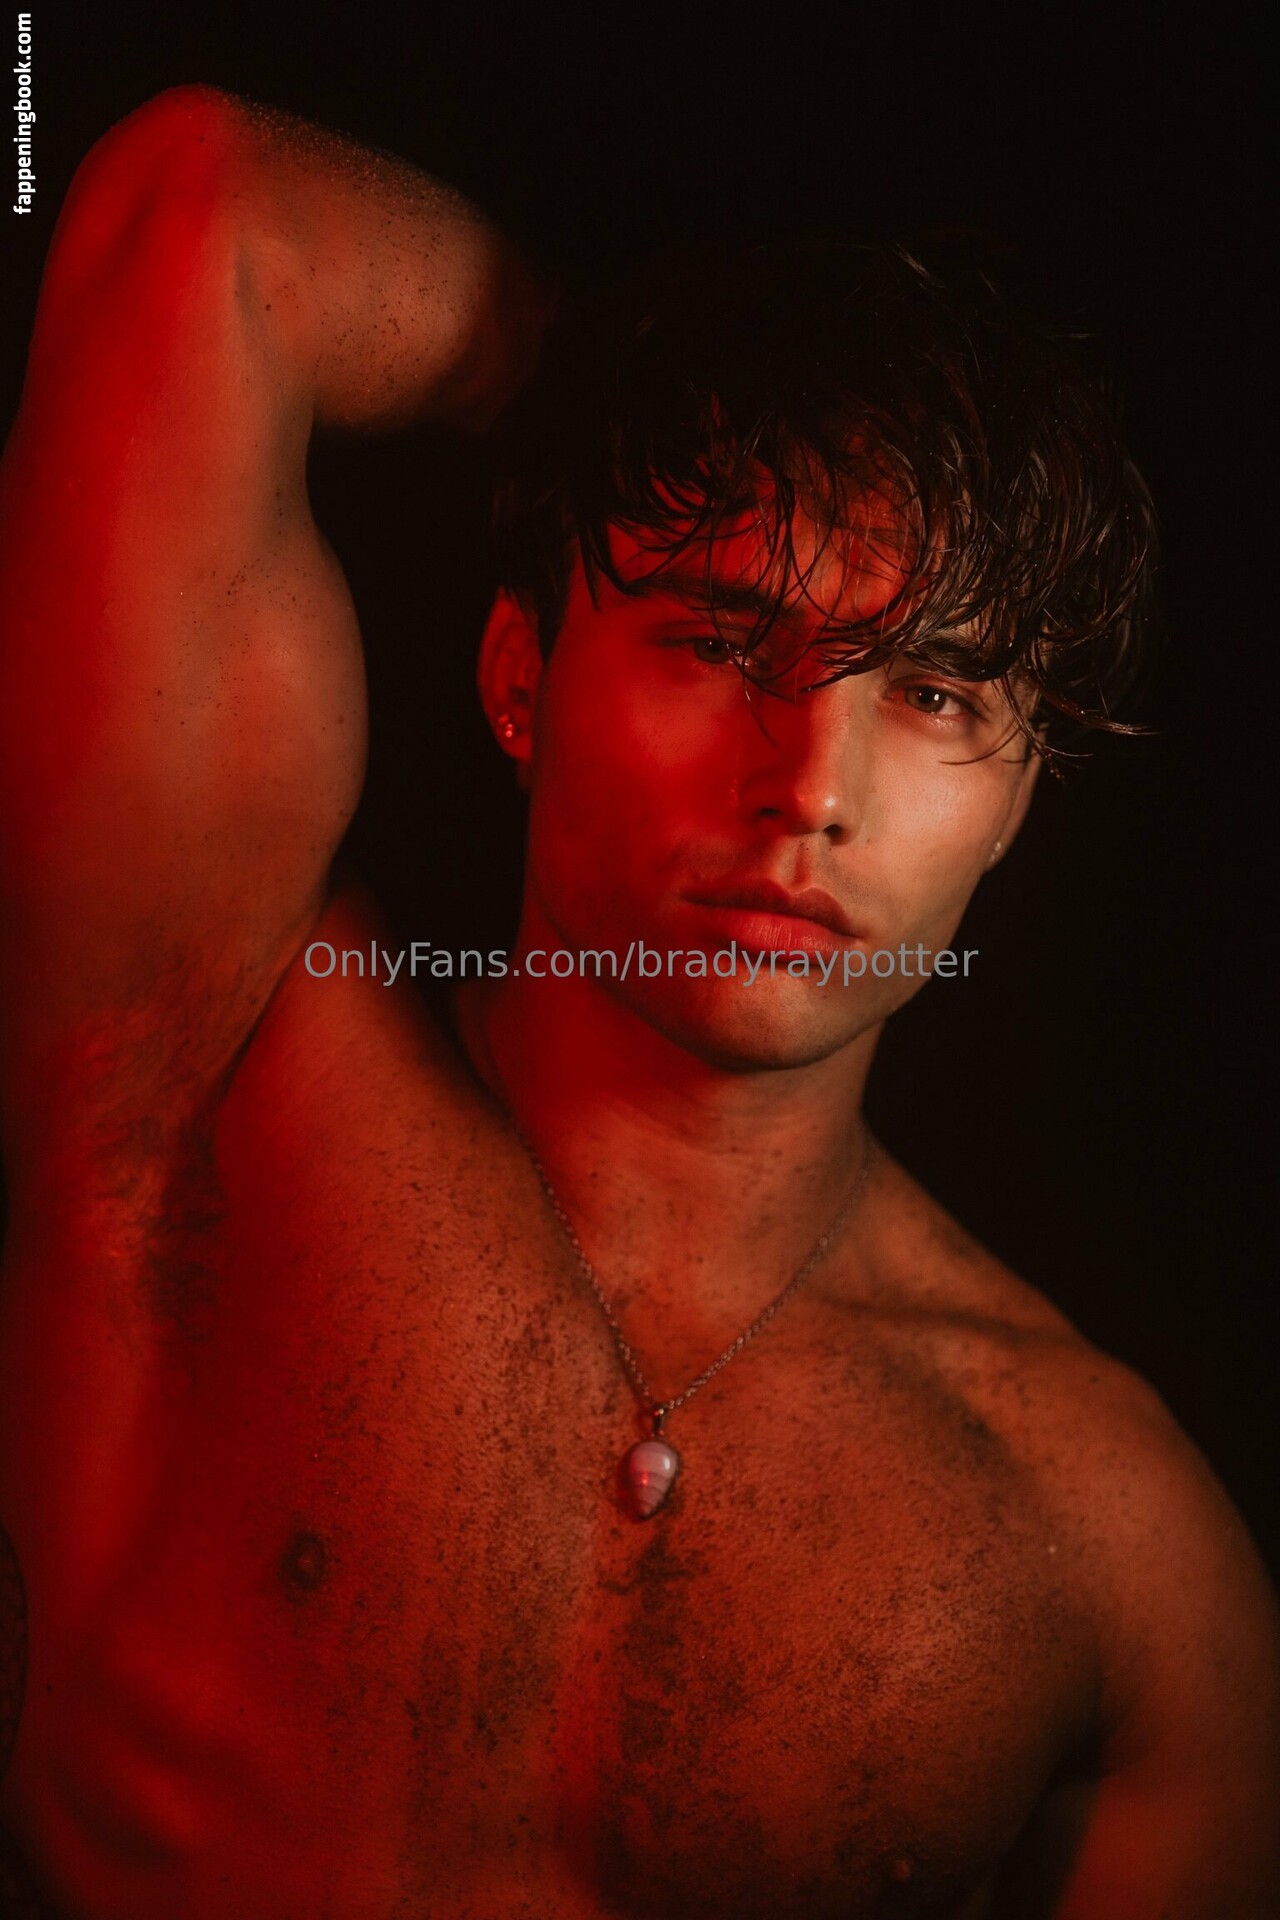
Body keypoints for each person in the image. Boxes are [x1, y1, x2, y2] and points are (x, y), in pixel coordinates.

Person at [0, 83, 1275, 1920]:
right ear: (520, 678)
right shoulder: (202, 1060)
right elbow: (209, 208)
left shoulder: (1119, 1569)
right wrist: (645, 395)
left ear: (1015, 801)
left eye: (933, 694)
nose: (810, 786)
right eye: (723, 641)